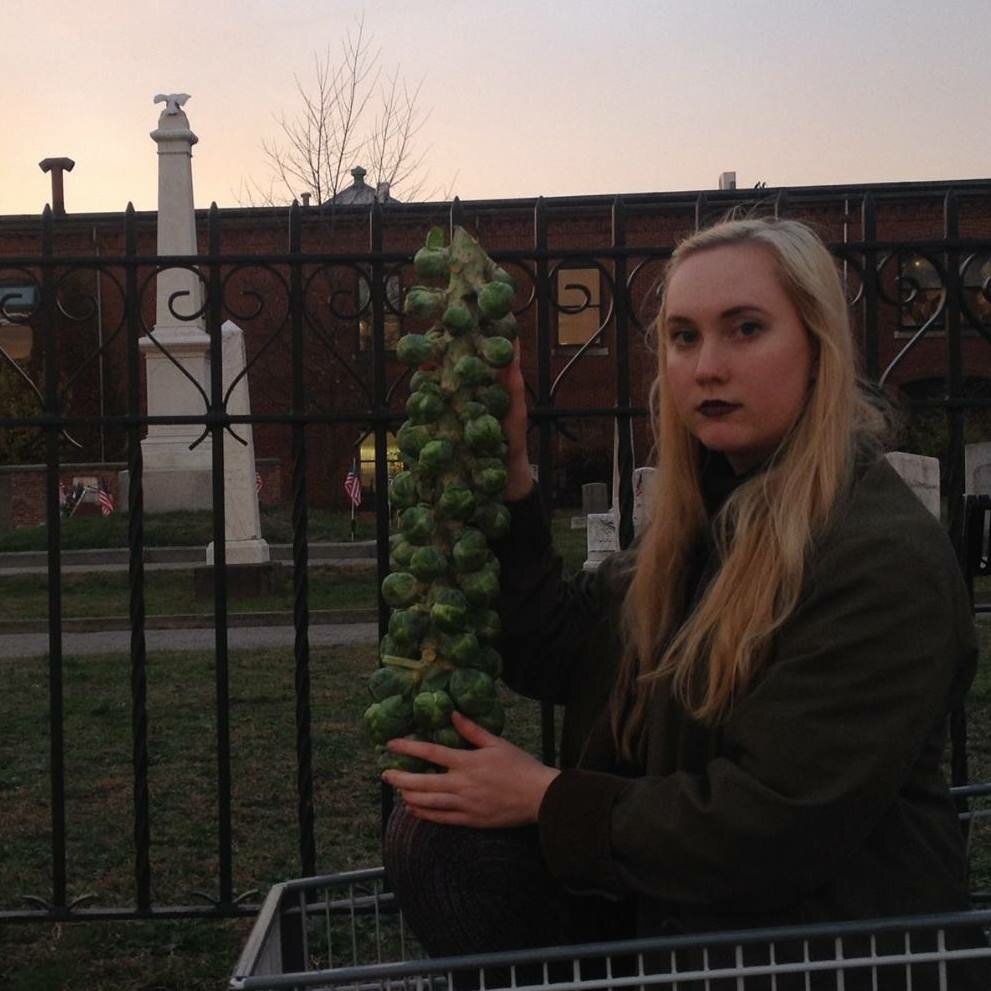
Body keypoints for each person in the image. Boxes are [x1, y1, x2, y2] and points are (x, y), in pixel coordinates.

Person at [380, 217, 984, 984]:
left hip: (829, 961)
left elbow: (771, 824)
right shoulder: (700, 525)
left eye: (745, 329)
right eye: (683, 336)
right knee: (437, 839)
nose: (706, 366)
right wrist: (512, 465)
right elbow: (556, 643)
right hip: (683, 944)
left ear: (818, 348)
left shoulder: (879, 557)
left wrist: (546, 797)